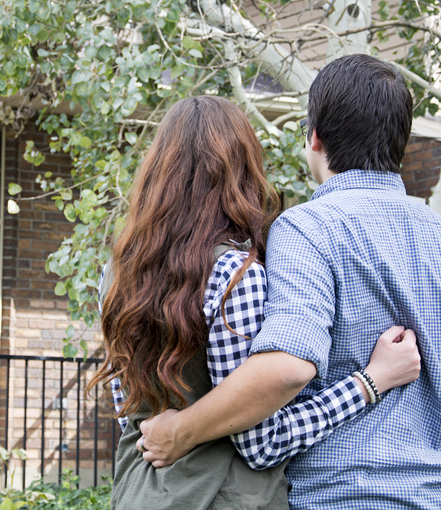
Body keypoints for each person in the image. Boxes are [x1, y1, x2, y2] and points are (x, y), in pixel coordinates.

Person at [138, 55, 441, 509]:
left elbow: (287, 368)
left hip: (349, 496)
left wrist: (181, 430)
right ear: (399, 143)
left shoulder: (307, 229)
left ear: (314, 138)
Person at [89, 94, 421, 510]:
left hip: (137, 494)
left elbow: (127, 416)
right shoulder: (234, 275)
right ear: (243, 171)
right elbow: (262, 443)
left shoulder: (116, 273)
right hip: (219, 497)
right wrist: (370, 382)